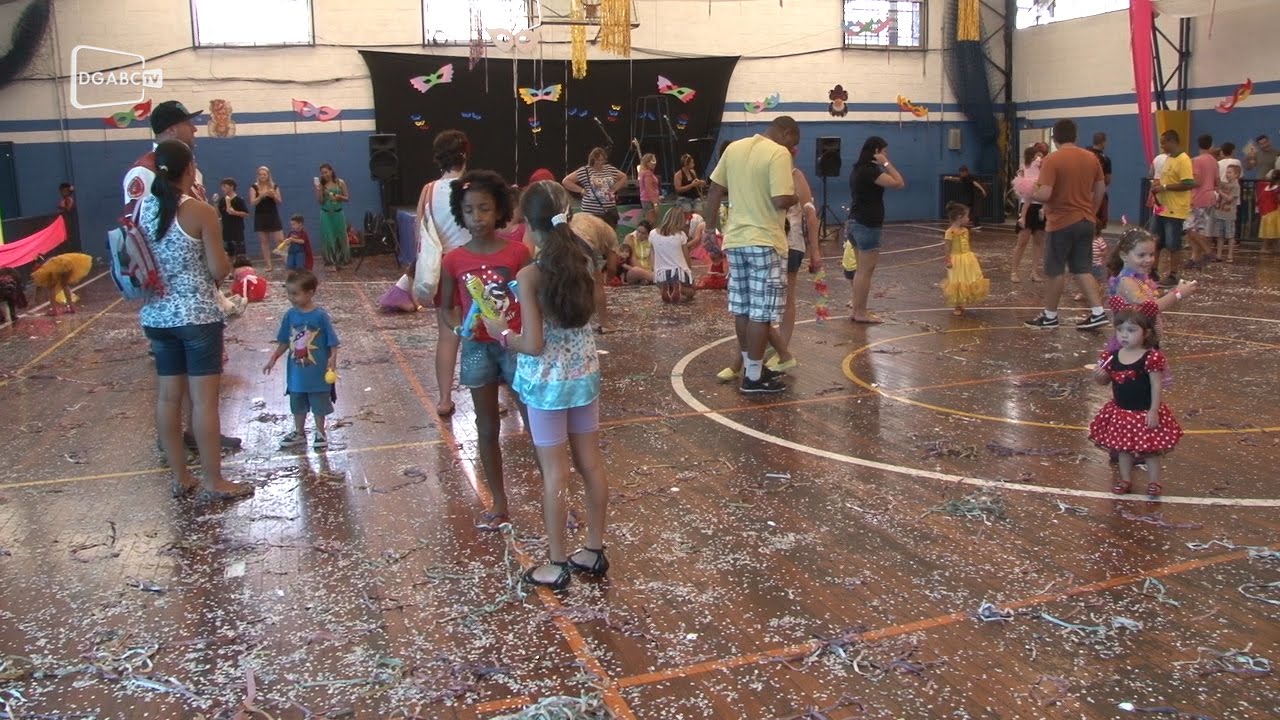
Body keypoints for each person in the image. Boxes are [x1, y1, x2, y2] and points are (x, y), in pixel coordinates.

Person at [481, 180, 608, 590]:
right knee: (590, 465)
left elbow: (533, 344)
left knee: (555, 474)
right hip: (584, 378)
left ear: (529, 227)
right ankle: (592, 549)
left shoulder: (531, 274)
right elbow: (597, 317)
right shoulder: (585, 261)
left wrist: (500, 332)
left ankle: (555, 563)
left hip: (548, 388)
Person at [122, 100, 241, 452]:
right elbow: (137, 237)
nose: (195, 131)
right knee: (189, 385)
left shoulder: (188, 171)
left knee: (180, 386)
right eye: (190, 125)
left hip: (188, 294)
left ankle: (191, 437)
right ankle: (185, 445)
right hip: (178, 297)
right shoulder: (144, 173)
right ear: (172, 128)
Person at [139, 139, 251, 500]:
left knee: (168, 399)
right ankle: (213, 480)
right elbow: (218, 268)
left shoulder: (143, 210)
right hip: (197, 317)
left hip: (157, 315)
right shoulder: (200, 211)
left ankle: (180, 476)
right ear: (189, 170)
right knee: (203, 402)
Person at [438, 170, 531, 531]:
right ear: (459, 214)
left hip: (515, 348)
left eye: (484, 209)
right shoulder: (453, 260)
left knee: (537, 425)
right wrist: (457, 327)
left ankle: (557, 499)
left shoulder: (518, 253)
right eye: (469, 210)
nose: (477, 217)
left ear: (499, 211)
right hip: (478, 350)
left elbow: (531, 298)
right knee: (487, 426)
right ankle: (499, 503)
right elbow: (446, 305)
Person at [702, 117, 800, 393]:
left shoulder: (734, 148)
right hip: (765, 241)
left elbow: (714, 189)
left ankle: (751, 370)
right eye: (794, 143)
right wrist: (795, 198)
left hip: (736, 240)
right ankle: (753, 378)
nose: (793, 149)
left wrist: (710, 229)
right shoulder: (778, 152)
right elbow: (781, 199)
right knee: (762, 313)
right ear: (787, 133)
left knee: (743, 309)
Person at [1089, 307, 1182, 498]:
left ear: (1145, 333)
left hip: (1144, 412)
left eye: (1131, 331)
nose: (1125, 335)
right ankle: (1125, 479)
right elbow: (1105, 381)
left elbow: (1156, 385)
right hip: (1121, 412)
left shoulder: (1151, 357)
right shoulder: (1111, 357)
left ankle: (1154, 482)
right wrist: (1099, 376)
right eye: (1121, 330)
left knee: (1151, 451)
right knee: (1123, 449)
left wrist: (1154, 410)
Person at [1024, 119, 1108, 330]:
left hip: (1061, 221)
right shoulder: (1092, 158)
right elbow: (1100, 190)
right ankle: (1098, 312)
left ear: (1054, 138)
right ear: (1076, 136)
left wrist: (1031, 189)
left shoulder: (1052, 160)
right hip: (1086, 220)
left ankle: (1050, 316)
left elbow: (1045, 193)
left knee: (1055, 270)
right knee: (1082, 268)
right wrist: (1091, 212)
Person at [415, 130, 474, 417]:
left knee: (447, 336)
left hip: (444, 266)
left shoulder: (428, 190)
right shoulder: (473, 187)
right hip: (474, 266)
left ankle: (444, 399)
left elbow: (420, 234)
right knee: (483, 336)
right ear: (465, 153)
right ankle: (487, 398)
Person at [264, 269, 340, 450]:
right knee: (297, 401)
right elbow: (284, 340)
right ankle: (299, 432)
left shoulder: (320, 316)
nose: (291, 298)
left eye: (295, 294)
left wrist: (333, 360)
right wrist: (273, 357)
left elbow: (332, 341)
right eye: (289, 293)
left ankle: (320, 432)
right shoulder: (290, 315)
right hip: (296, 374)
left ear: (310, 293)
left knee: (319, 402)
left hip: (318, 372)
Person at [846, 135, 906, 324]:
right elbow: (899, 183)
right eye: (884, 151)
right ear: (876, 152)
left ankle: (856, 309)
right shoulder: (870, 172)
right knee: (865, 271)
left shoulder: (857, 170)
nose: (886, 155)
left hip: (854, 223)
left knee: (860, 271)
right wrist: (886, 163)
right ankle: (861, 312)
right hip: (867, 225)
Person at [1150, 130, 1195, 287]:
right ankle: (1153, 270)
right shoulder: (1169, 158)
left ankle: (1173, 274)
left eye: (1163, 142)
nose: (1161, 146)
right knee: (1157, 240)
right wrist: (1158, 187)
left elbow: (1188, 183)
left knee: (1173, 243)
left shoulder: (1184, 160)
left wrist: (1164, 187)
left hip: (1175, 210)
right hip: (1162, 207)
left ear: (1172, 141)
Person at [569, 212, 617, 332]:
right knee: (597, 285)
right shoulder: (610, 232)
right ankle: (605, 323)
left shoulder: (580, 215)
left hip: (562, 239)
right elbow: (612, 267)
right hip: (582, 243)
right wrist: (607, 280)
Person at [940, 202, 988, 316]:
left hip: (967, 258)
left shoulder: (965, 230)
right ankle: (957, 305)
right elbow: (947, 248)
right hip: (956, 260)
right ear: (959, 217)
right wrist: (948, 260)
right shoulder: (950, 232)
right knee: (957, 281)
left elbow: (966, 244)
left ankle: (963, 301)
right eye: (966, 216)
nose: (968, 219)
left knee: (967, 279)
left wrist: (970, 258)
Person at [563, 147, 626, 226]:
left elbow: (623, 177)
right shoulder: (585, 171)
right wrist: (581, 190)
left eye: (603, 160)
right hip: (591, 211)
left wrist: (615, 188)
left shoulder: (610, 169)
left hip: (609, 211)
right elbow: (566, 181)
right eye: (598, 160)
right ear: (592, 159)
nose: (600, 162)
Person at [1010, 146, 1046, 283]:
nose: (1040, 158)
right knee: (1022, 241)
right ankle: (1014, 271)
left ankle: (1034, 271)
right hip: (1028, 206)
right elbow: (1019, 187)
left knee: (1038, 241)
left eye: (1042, 155)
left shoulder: (1044, 167)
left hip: (1040, 205)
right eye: (1038, 155)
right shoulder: (1024, 167)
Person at [1184, 134, 1218, 269]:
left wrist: (1184, 183)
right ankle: (1195, 257)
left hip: (1198, 197)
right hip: (1210, 197)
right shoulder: (1214, 161)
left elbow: (1197, 181)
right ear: (1211, 144)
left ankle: (1208, 252)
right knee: (1198, 228)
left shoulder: (1196, 161)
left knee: (1189, 228)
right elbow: (1217, 181)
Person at [650, 206, 698, 304]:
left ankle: (669, 287)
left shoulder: (653, 233)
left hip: (661, 274)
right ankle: (680, 289)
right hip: (679, 272)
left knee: (665, 284)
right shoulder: (681, 235)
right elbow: (686, 258)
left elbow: (652, 256)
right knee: (692, 292)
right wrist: (691, 276)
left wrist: (654, 271)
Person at [315, 163, 351, 268]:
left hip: (338, 213)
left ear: (331, 171)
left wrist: (339, 196)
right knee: (328, 236)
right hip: (326, 214)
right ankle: (331, 261)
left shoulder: (340, 183)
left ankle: (342, 260)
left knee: (340, 235)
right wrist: (318, 190)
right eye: (322, 173)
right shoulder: (321, 185)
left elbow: (347, 198)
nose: (324, 175)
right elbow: (320, 201)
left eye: (326, 172)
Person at [250, 166, 284, 272]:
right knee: (264, 241)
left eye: (264, 174)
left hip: (273, 214)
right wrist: (261, 195)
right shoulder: (254, 187)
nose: (262, 176)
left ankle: (287, 261)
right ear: (258, 175)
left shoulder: (274, 186)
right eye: (260, 174)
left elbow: (279, 201)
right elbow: (252, 203)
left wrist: (273, 196)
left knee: (280, 240)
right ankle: (269, 265)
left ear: (268, 175)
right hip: (261, 215)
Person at [1212, 164, 1242, 263]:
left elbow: (1229, 199)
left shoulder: (1236, 186)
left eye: (1230, 172)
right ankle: (1219, 255)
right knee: (1220, 236)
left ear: (1236, 175)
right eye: (1227, 172)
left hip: (1229, 215)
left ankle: (1230, 256)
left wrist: (1220, 192)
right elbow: (1218, 183)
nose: (1227, 174)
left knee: (1230, 236)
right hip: (1220, 213)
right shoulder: (1225, 184)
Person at [944, 165, 986, 229]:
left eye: (962, 172)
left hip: (973, 196)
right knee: (968, 210)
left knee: (970, 210)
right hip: (969, 197)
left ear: (966, 172)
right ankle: (974, 224)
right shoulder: (963, 178)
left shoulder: (969, 177)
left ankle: (976, 224)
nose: (961, 174)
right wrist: (950, 178)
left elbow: (975, 183)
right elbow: (958, 180)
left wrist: (982, 190)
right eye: (960, 172)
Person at [215, 178, 249, 258]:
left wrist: (234, 212)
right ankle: (230, 269)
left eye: (224, 186)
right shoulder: (222, 200)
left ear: (231, 187)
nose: (222, 189)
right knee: (228, 254)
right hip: (226, 230)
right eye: (222, 187)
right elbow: (218, 214)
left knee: (240, 254)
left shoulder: (239, 200)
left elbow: (246, 214)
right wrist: (216, 203)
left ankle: (240, 268)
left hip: (237, 230)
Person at [1089, 132, 1112, 235]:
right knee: (1097, 223)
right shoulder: (1105, 159)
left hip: (1082, 194)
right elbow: (1107, 180)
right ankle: (1096, 243)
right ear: (1103, 142)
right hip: (1098, 195)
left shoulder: (1084, 154)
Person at [1259, 169, 1280, 255]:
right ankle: (1266, 248)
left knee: (1271, 232)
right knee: (1272, 232)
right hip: (1273, 212)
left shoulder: (1266, 187)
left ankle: (1274, 248)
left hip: (1266, 212)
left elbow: (1261, 199)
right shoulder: (1277, 189)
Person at [637, 152, 660, 225]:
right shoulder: (647, 173)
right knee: (652, 223)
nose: (654, 163)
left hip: (646, 200)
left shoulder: (643, 172)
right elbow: (649, 189)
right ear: (647, 162)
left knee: (649, 222)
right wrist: (655, 203)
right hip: (649, 201)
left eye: (655, 160)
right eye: (652, 161)